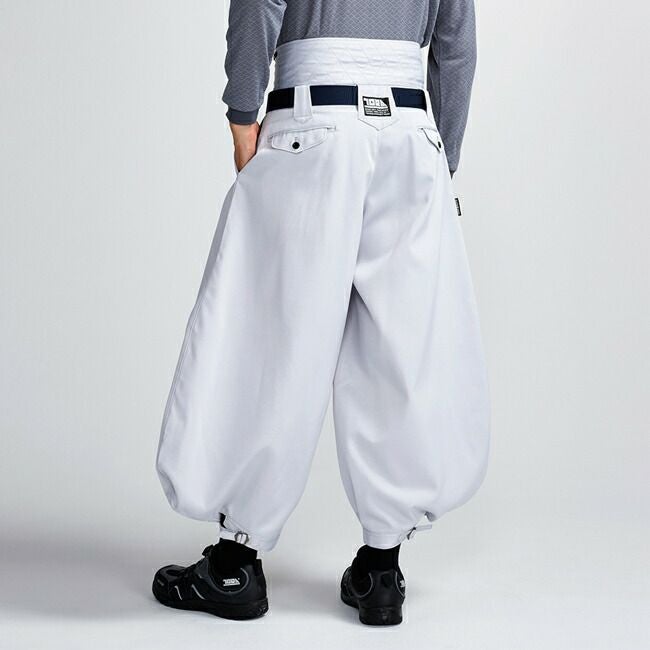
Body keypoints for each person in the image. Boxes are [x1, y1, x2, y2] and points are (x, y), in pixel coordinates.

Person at [153, 0, 489, 626]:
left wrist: (242, 114)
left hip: (313, 115)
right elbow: (456, 40)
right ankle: (381, 568)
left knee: (270, 332)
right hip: (411, 129)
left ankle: (235, 563)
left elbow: (261, 3)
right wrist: (440, 161)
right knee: (398, 346)